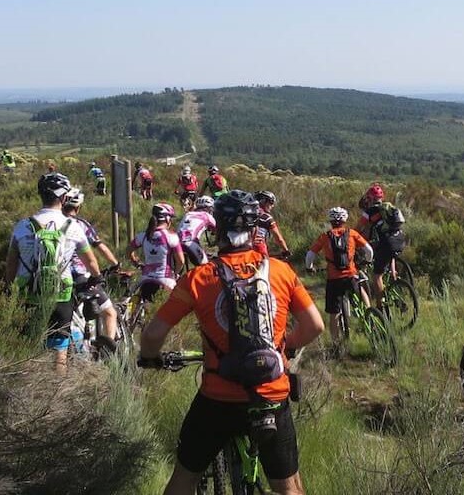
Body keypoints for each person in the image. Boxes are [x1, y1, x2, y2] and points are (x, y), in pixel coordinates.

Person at [140, 190, 324, 495]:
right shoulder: (281, 271)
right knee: (289, 488)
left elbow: (153, 334)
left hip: (218, 398)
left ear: (218, 231)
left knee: (182, 481)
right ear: (255, 230)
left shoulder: (198, 278)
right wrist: (285, 348)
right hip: (271, 395)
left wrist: (150, 358)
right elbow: (315, 325)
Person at [5, 173, 101, 373]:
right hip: (61, 294)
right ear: (64, 198)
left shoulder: (22, 226)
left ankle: (29, 386)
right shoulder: (72, 227)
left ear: (41, 196)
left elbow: (11, 266)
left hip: (28, 294)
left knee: (29, 345)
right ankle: (57, 392)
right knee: (59, 351)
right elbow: (90, 261)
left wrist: (8, 290)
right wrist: (96, 278)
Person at [305, 207, 373, 346]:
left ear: (331, 221)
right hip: (351, 275)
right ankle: (370, 315)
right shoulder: (352, 233)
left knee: (334, 313)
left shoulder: (325, 236)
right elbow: (369, 250)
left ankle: (336, 345)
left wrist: (309, 267)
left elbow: (310, 255)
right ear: (344, 220)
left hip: (334, 279)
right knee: (361, 292)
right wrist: (367, 260)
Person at [62, 187, 120, 341]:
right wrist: (115, 264)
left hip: (58, 276)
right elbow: (99, 246)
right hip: (80, 276)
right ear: (78, 206)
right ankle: (108, 353)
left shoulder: (55, 223)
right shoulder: (81, 224)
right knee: (110, 313)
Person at [356, 183, 405, 306]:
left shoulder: (369, 212)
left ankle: (380, 306)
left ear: (371, 198)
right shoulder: (389, 208)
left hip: (387, 243)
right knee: (389, 254)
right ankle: (394, 277)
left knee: (377, 275)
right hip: (399, 239)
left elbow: (357, 230)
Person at [126, 203, 184, 302]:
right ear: (167, 219)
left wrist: (136, 263)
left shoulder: (143, 235)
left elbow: (128, 251)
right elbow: (181, 261)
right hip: (166, 280)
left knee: (141, 304)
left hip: (146, 278)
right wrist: (175, 273)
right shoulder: (172, 236)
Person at [177, 195, 216, 266]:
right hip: (191, 243)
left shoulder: (188, 214)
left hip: (177, 242)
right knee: (205, 268)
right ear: (208, 208)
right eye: (211, 208)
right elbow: (217, 231)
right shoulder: (208, 216)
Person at [253, 190, 291, 259]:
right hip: (259, 248)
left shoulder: (247, 214)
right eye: (271, 202)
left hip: (244, 248)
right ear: (263, 201)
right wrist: (286, 251)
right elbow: (279, 238)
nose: (272, 206)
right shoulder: (267, 218)